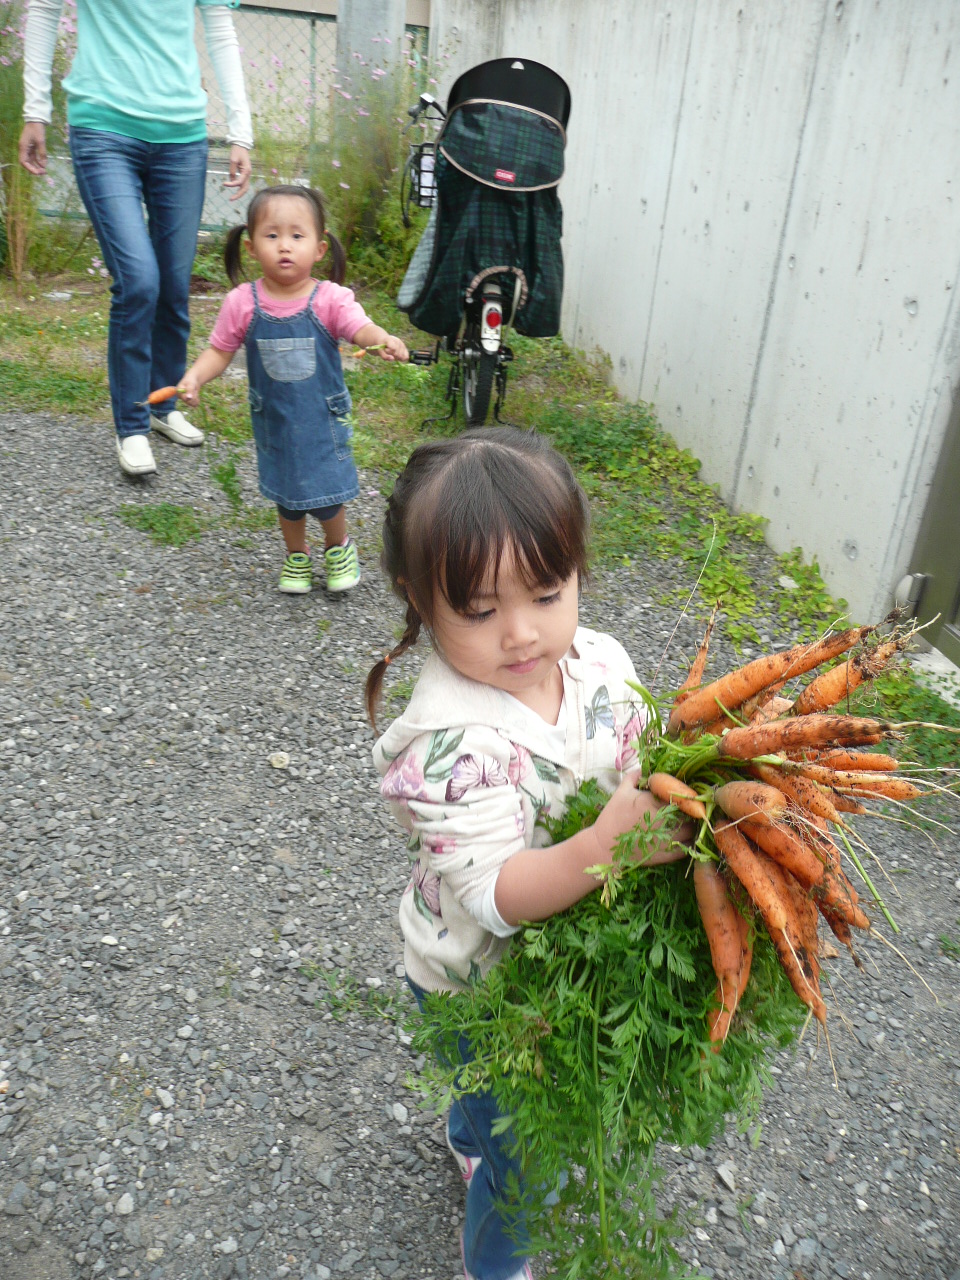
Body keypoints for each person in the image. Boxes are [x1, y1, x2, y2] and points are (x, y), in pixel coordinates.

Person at [365, 428, 691, 1280]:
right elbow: (499, 897)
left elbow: (639, 754)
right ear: (417, 599)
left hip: (565, 969)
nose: (519, 633)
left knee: (491, 1117)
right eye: (478, 609)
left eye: (547, 592)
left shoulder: (602, 665)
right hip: (477, 985)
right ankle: (498, 1262)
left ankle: (467, 1131)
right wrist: (604, 847)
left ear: (578, 570)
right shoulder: (442, 747)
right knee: (529, 1166)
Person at [18, 0, 254, 478]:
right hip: (102, 128)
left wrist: (240, 131)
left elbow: (221, 30)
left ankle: (162, 405)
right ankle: (131, 426)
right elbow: (43, 8)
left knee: (172, 284)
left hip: (182, 137)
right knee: (139, 281)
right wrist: (35, 110)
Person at [178, 185, 409, 595]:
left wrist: (381, 338)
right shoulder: (241, 303)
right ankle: (296, 555)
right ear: (250, 247)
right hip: (276, 422)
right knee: (286, 496)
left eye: (297, 236)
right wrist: (195, 376)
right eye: (272, 235)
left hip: (322, 418)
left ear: (319, 249)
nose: (284, 246)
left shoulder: (330, 299)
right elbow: (220, 350)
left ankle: (338, 545)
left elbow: (359, 327)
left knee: (327, 494)